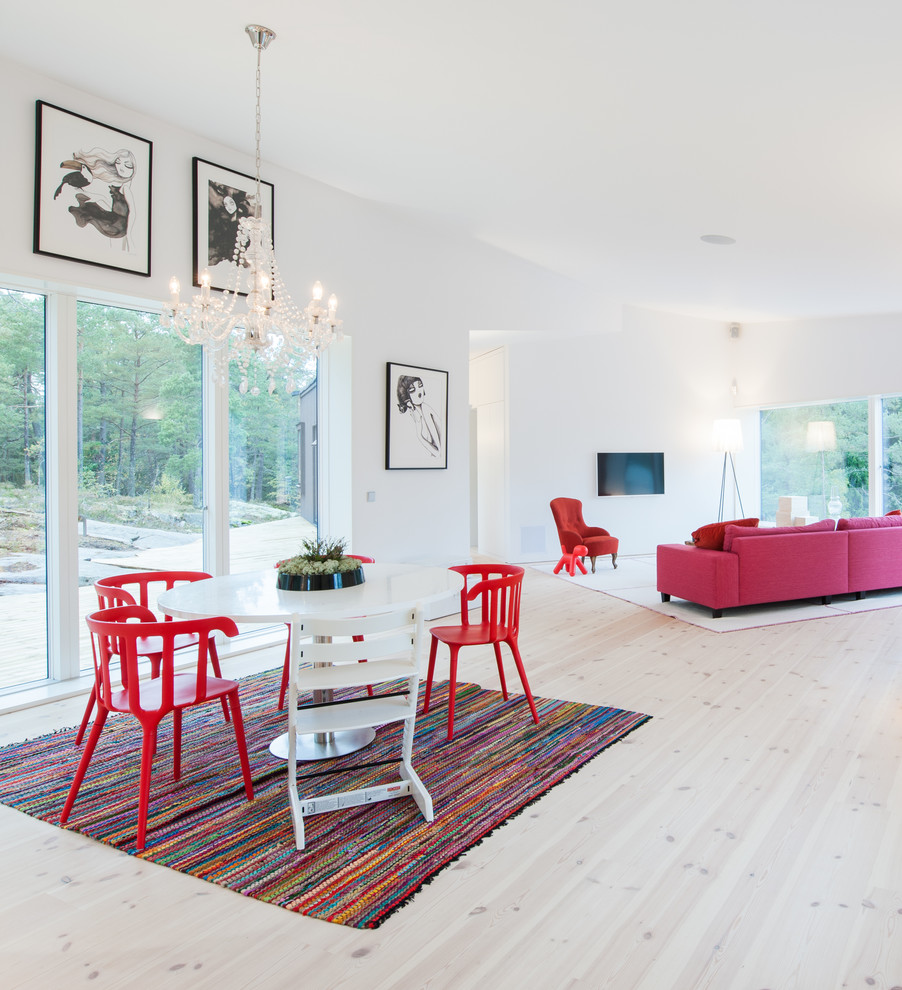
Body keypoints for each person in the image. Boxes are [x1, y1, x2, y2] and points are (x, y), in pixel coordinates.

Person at [396, 375, 443, 458]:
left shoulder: (426, 409)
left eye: (420, 386)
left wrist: (420, 436)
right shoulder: (407, 417)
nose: (419, 392)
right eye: (412, 390)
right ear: (406, 396)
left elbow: (439, 453)